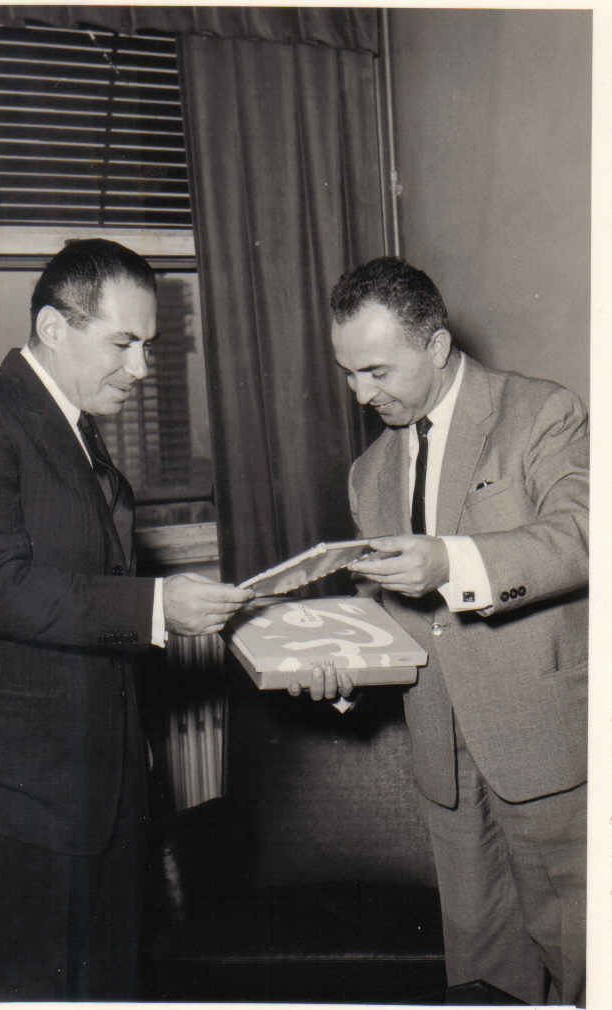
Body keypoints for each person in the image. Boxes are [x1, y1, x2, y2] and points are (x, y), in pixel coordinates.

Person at [0, 238, 253, 1000]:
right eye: (123, 343)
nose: (141, 369)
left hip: (94, 793)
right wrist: (157, 607)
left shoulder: (73, 429)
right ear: (52, 328)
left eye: (149, 346)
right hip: (13, 805)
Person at [298, 257, 588, 1005]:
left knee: (586, 960)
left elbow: (584, 535)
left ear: (435, 346)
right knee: (485, 975)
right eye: (348, 373)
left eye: (376, 371)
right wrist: (342, 668)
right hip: (446, 770)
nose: (361, 394)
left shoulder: (542, 413)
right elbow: (388, 619)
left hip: (550, 754)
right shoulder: (368, 474)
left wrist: (449, 561)